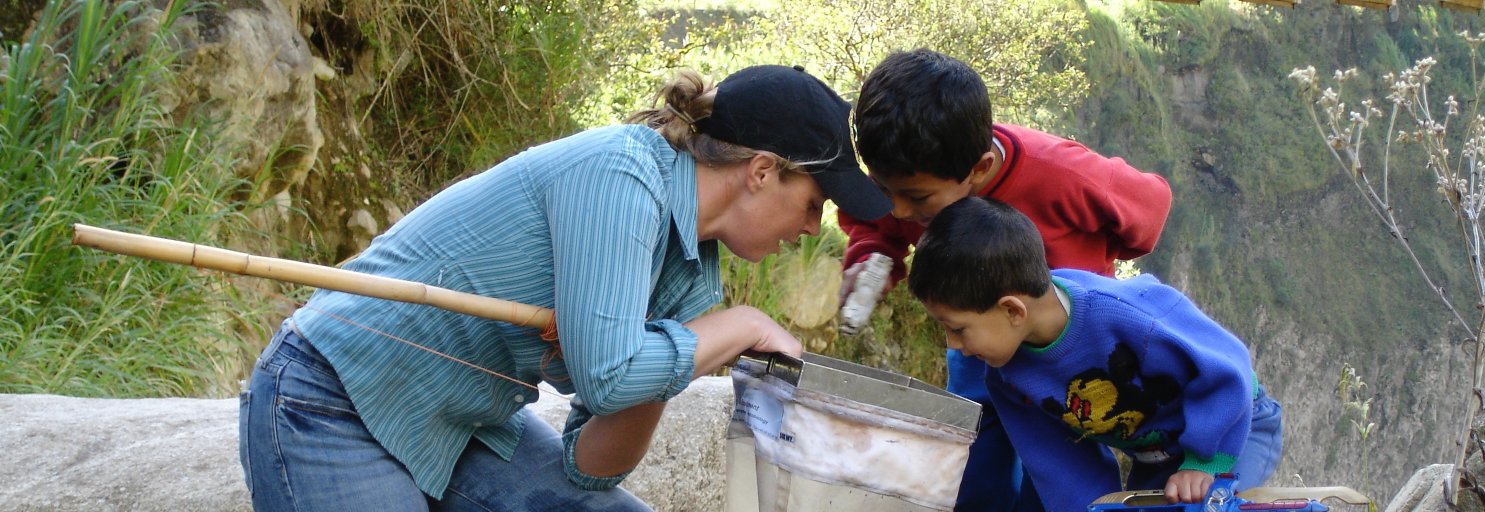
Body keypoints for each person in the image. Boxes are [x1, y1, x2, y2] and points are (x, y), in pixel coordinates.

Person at [238, 64, 892, 512]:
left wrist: (676, 354)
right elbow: (609, 378)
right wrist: (739, 327)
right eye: (814, 203)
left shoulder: (690, 269)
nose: (813, 229)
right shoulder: (622, 174)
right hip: (334, 397)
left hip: (459, 424)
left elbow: (591, 465)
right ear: (762, 171)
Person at [838, 48, 1174, 510]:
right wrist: (872, 255)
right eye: (882, 190)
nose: (898, 209)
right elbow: (880, 225)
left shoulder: (1058, 172)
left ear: (978, 170)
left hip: (1063, 353)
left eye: (916, 198)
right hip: (979, 338)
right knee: (973, 447)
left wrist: (1090, 273)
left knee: (1061, 468)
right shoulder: (912, 182)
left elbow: (1149, 208)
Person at [907, 196, 1284, 511]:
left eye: (958, 328)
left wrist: (1205, 461)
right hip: (1155, 454)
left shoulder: (1129, 314)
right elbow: (1059, 464)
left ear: (1012, 310)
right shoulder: (1007, 377)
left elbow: (1227, 367)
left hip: (1233, 426)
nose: (953, 344)